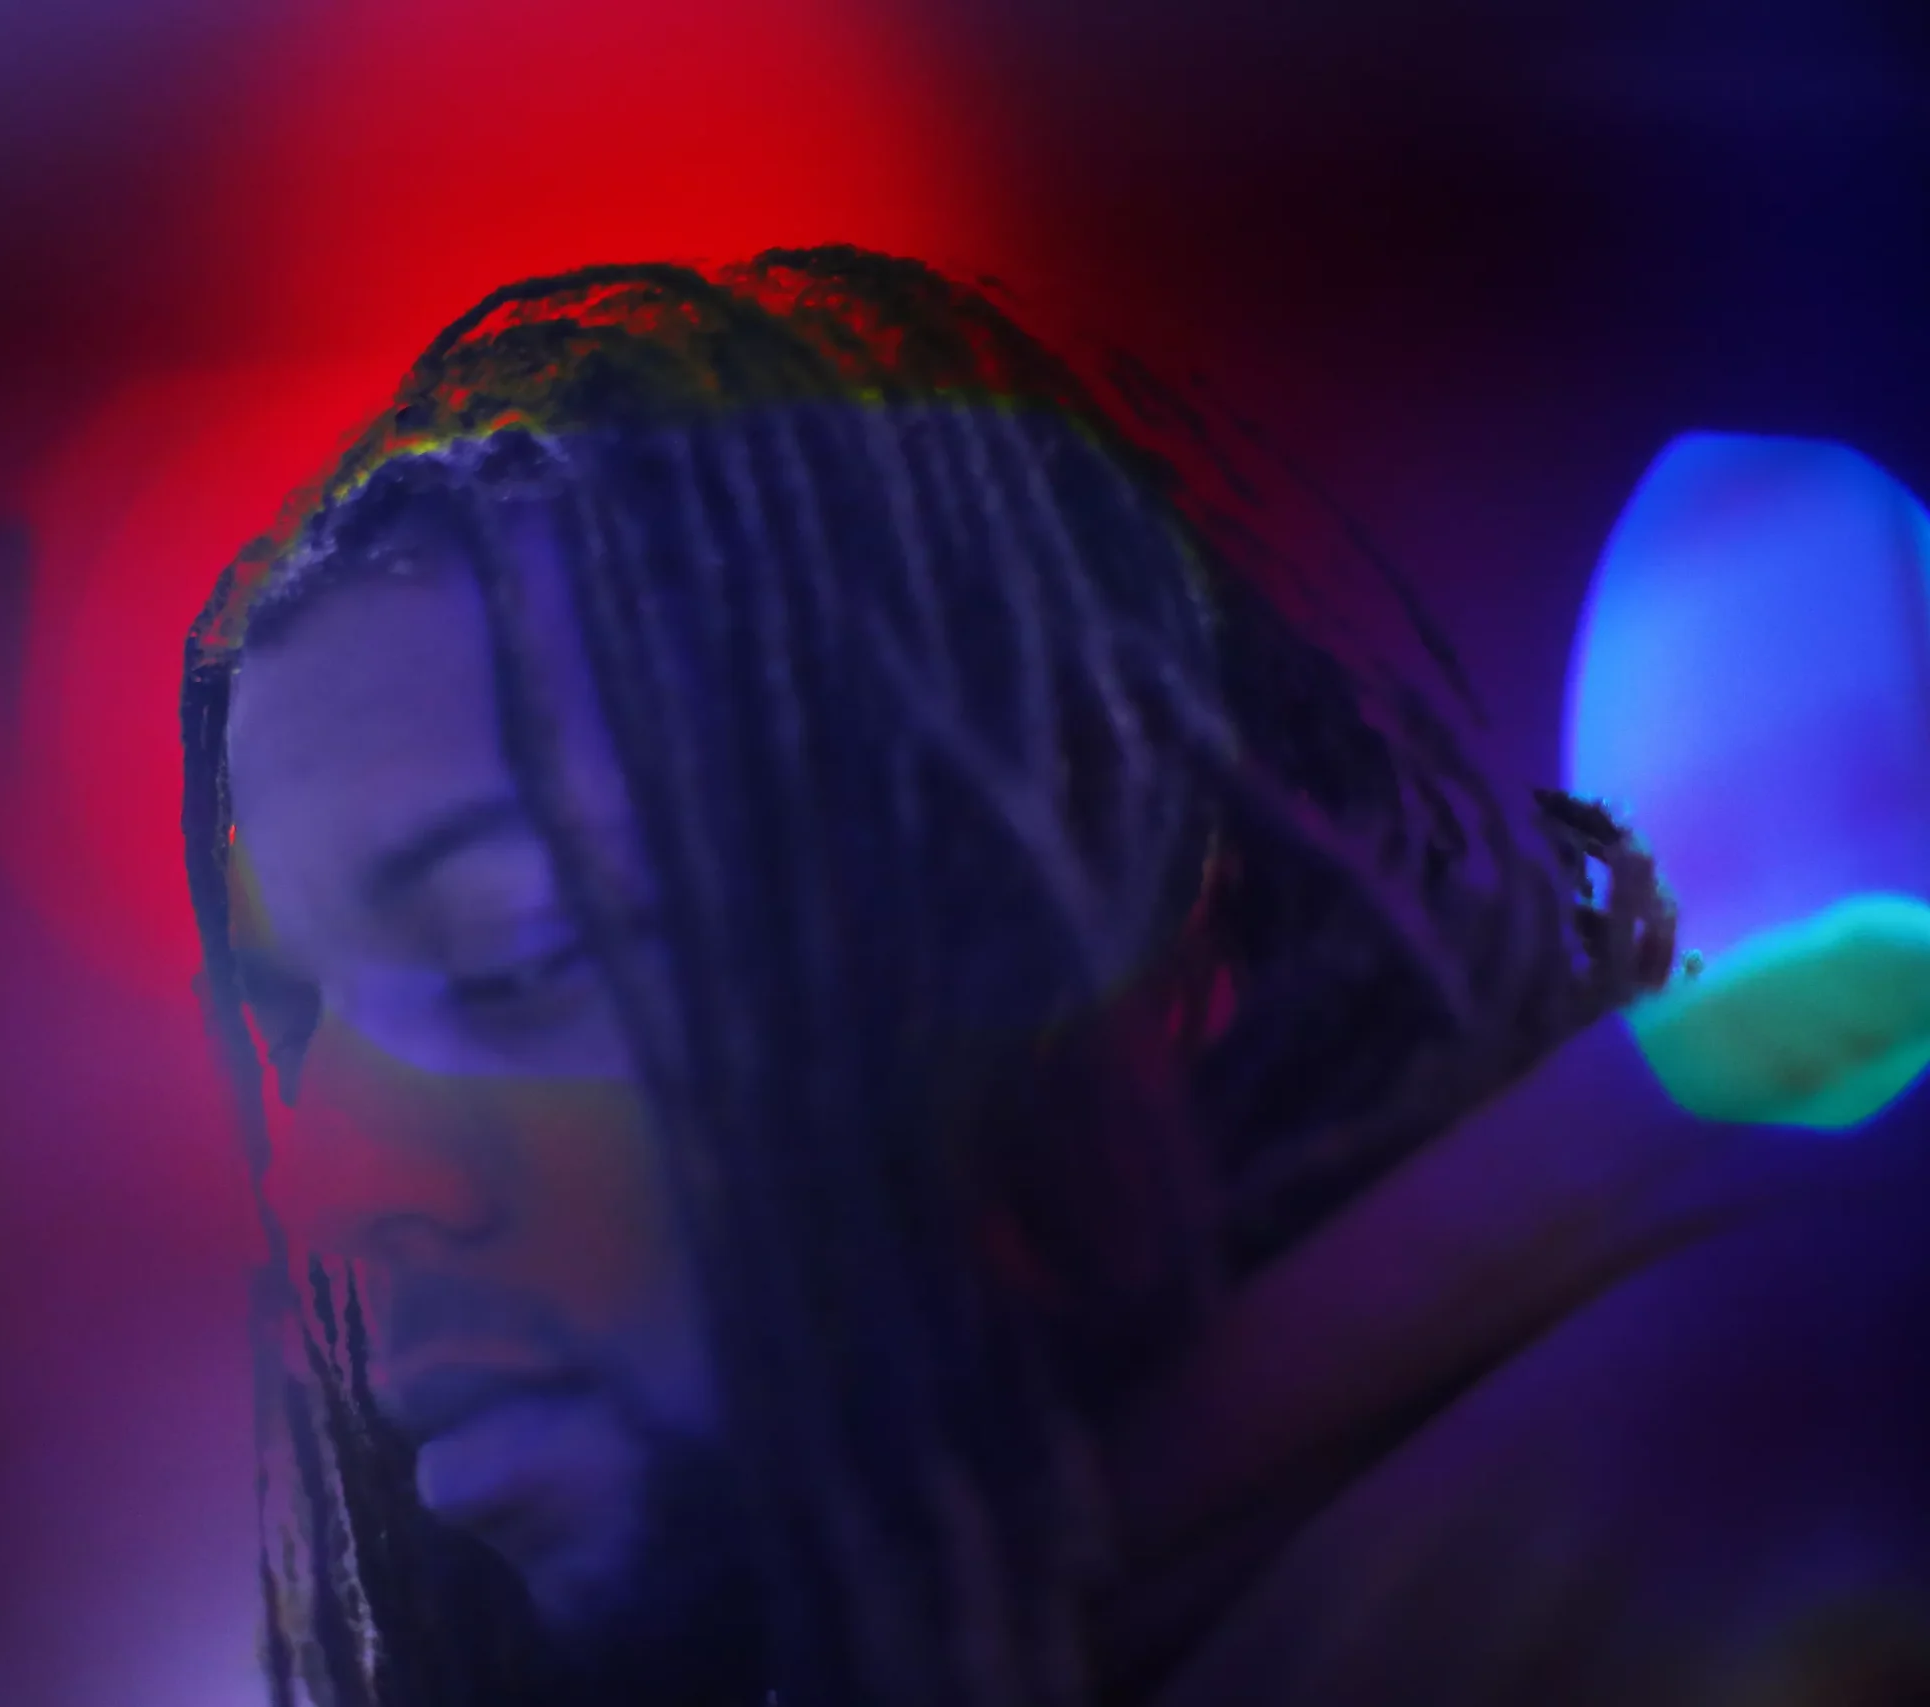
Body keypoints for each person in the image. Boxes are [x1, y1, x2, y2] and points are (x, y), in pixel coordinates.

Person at [181, 248, 1930, 1707]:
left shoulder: (1766, 1549)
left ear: (1072, 891)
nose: (342, 1182)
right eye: (295, 1036)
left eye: (515, 950)